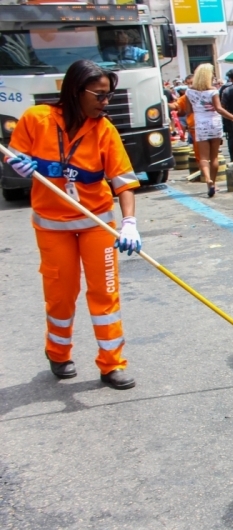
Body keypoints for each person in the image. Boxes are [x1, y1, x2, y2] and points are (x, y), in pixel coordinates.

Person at [5, 60, 141, 390]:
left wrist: (129, 222)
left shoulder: (104, 130)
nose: (105, 102)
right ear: (76, 91)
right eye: (100, 95)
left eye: (109, 96)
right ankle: (58, 353)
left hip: (96, 224)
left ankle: (112, 364)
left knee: (105, 295)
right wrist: (16, 163)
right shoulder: (36, 119)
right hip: (52, 227)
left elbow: (122, 181)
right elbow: (12, 155)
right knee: (61, 295)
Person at [183, 64, 233, 197]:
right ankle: (214, 182)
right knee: (214, 156)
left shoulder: (189, 92)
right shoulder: (213, 91)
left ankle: (208, 180)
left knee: (204, 157)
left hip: (200, 123)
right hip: (214, 123)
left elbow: (188, 111)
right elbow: (219, 109)